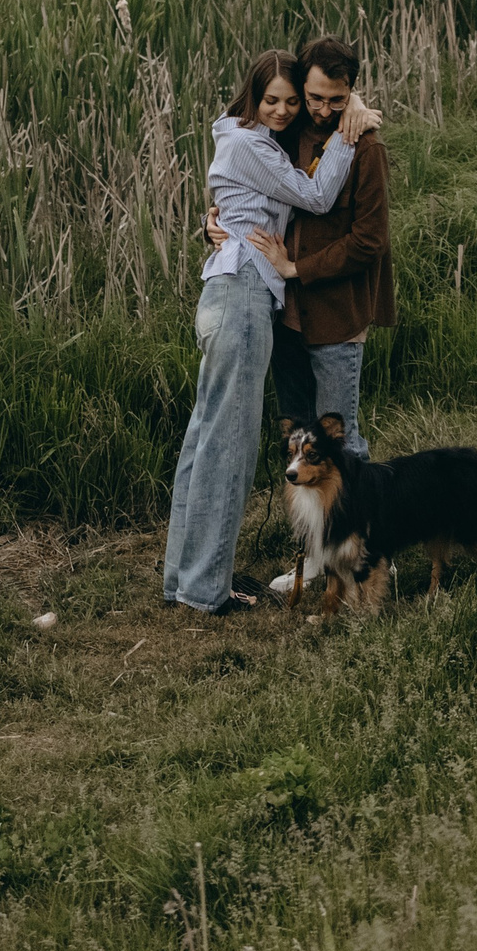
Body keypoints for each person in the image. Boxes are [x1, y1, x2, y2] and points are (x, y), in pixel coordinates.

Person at [162, 51, 379, 616]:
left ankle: (182, 582)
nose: (283, 111)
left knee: (206, 436)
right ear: (251, 98)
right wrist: (347, 134)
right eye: (272, 100)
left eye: (291, 101)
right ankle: (205, 591)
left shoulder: (253, 139)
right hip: (242, 292)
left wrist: (347, 106)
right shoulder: (250, 142)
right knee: (227, 446)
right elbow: (314, 196)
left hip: (232, 288)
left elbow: (246, 199)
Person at [208, 38, 389, 463]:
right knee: (297, 439)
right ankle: (309, 530)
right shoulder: (284, 135)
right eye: (314, 99)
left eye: (337, 101)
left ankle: (356, 529)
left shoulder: (366, 147)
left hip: (336, 314)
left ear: (351, 92)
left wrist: (296, 269)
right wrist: (211, 224)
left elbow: (370, 241)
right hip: (285, 317)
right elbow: (243, 193)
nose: (324, 111)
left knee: (339, 440)